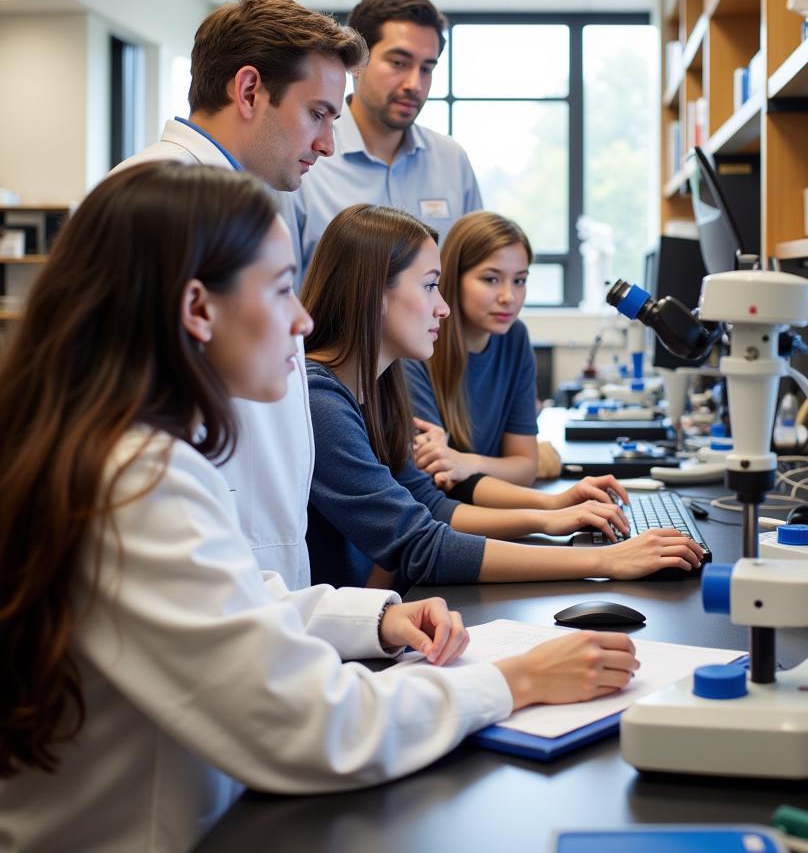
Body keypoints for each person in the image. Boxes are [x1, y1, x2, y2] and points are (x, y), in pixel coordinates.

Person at [0, 163, 642, 852]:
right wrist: (514, 680)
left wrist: (377, 618)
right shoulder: (137, 483)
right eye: (281, 290)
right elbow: (305, 724)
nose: (303, 319)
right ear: (197, 308)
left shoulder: (132, 452)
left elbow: (236, 601)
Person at [302, 204, 704, 591]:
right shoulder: (321, 401)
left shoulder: (376, 388)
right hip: (335, 634)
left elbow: (426, 507)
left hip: (366, 615)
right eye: (429, 286)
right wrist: (607, 560)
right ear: (372, 292)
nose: (442, 307)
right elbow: (420, 545)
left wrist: (553, 515)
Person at [113, 0, 367, 590]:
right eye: (319, 114)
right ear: (249, 90)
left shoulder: (237, 204)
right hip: (196, 568)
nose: (328, 144)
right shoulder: (160, 202)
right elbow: (144, 429)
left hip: (251, 576)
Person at [293, 0, 482, 273]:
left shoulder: (452, 161)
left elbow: (470, 275)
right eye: (399, 63)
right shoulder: (305, 160)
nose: (414, 84)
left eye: (427, 68)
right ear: (357, 63)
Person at [405, 210, 542, 490]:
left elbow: (526, 466)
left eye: (519, 280)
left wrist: (468, 462)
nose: (509, 297)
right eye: (491, 279)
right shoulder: (416, 346)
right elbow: (438, 478)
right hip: (443, 519)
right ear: (454, 278)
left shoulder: (515, 337)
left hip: (489, 507)